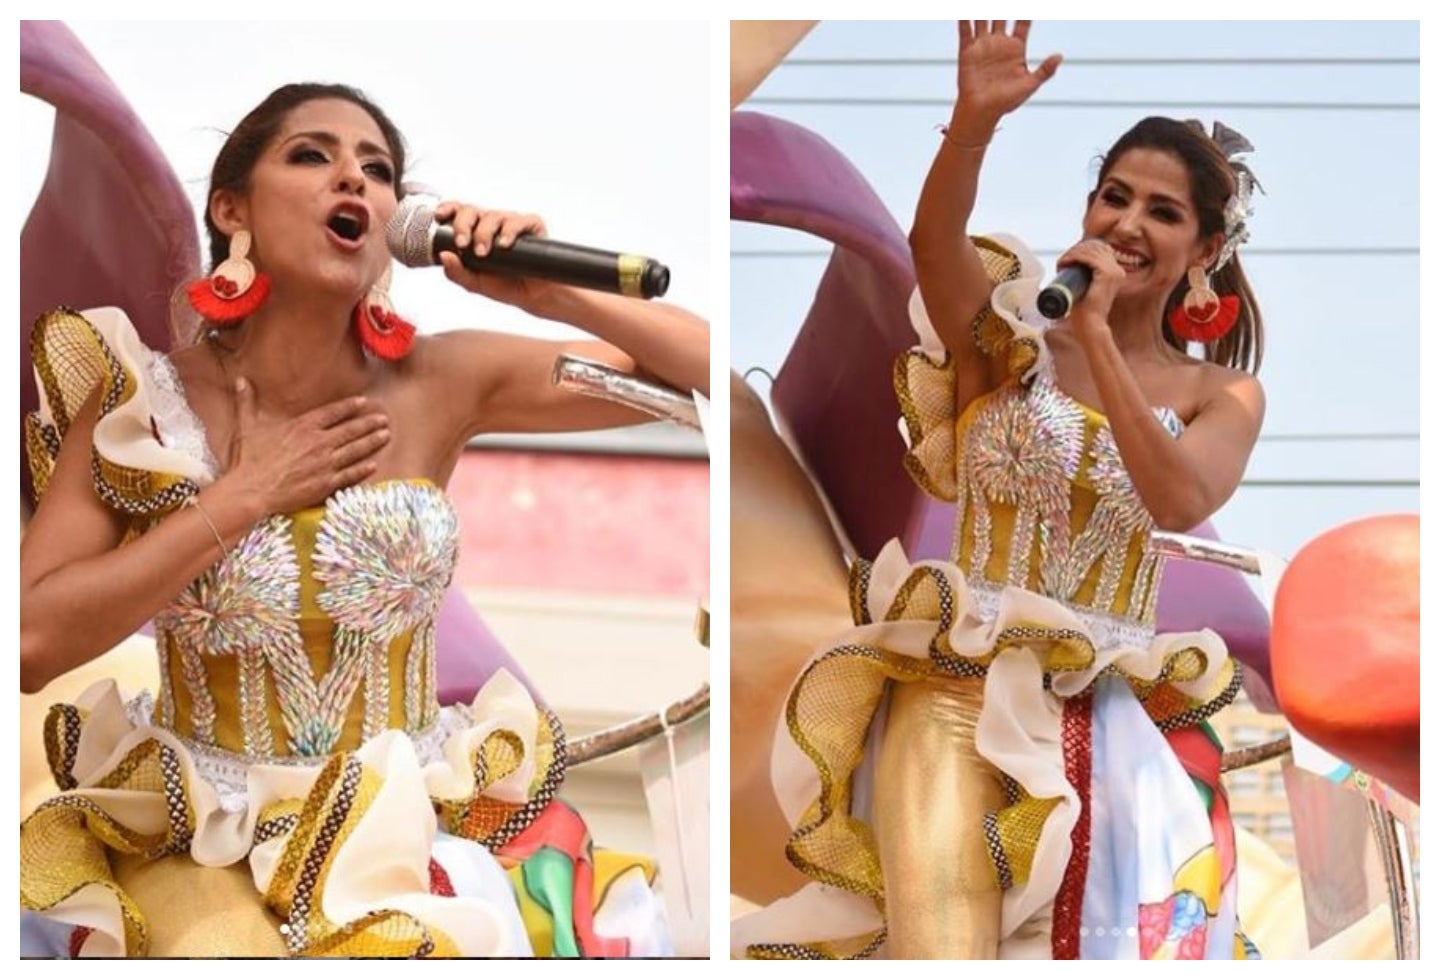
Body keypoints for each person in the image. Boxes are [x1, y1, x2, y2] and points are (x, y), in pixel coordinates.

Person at [19, 82, 708, 958]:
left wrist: (547, 293)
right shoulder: (140, 404)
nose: (354, 179)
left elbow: (702, 376)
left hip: (419, 830)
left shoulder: (442, 380)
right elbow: (31, 640)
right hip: (206, 844)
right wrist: (240, 500)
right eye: (312, 155)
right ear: (232, 208)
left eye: (377, 171)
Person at [734, 22, 1266, 959]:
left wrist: (1101, 336)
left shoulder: (1221, 394)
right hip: (952, 696)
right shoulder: (1008, 342)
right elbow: (931, 244)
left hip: (1110, 731)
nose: (1126, 226)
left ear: (1205, 249)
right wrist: (971, 124)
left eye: (1162, 213)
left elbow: (1181, 498)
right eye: (1113, 197)